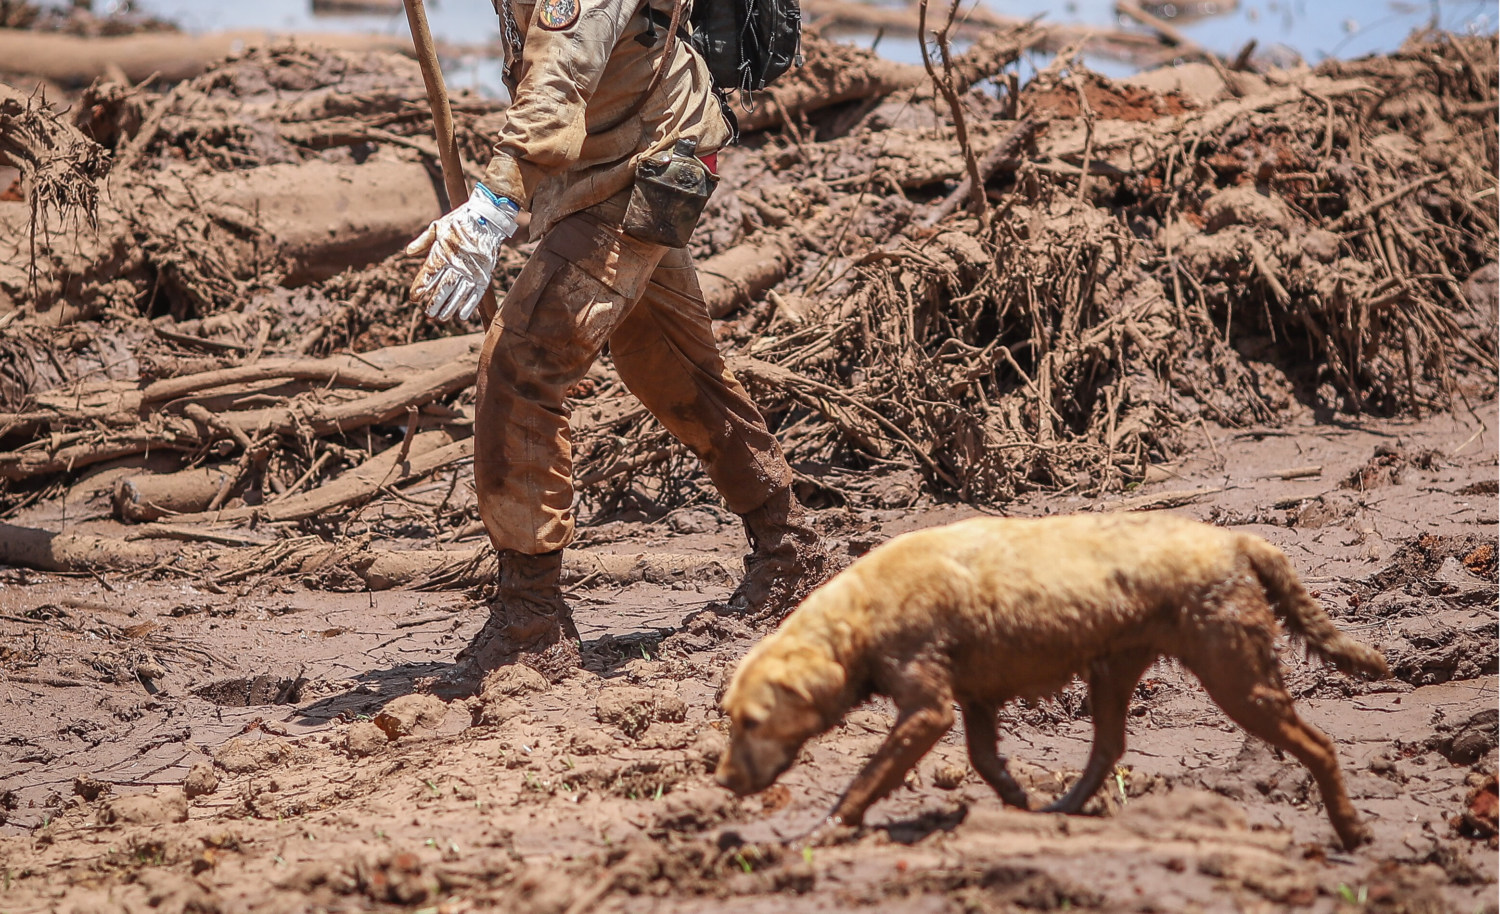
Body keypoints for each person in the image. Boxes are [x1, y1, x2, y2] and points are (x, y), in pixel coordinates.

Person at [405, 0, 827, 681]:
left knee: (523, 365)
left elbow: (560, 77)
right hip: (636, 149)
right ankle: (790, 554)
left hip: (641, 166)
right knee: (668, 361)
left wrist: (495, 202)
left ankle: (531, 620)